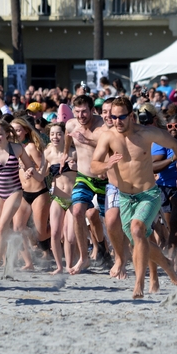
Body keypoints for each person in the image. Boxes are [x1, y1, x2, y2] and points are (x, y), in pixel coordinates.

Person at [91, 97, 177, 298]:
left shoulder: (147, 133)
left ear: (131, 116)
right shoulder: (109, 137)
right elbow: (94, 165)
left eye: (121, 117)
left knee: (138, 230)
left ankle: (139, 285)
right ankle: (166, 263)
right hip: (125, 197)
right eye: (113, 117)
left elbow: (176, 145)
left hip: (148, 194)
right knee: (138, 240)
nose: (117, 121)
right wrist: (106, 165)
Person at [0, 121, 44, 272]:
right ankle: (10, 260)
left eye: (0, 134)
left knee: (3, 226)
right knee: (1, 229)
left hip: (14, 190)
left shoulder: (17, 149)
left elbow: (29, 165)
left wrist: (29, 171)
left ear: (7, 134)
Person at [63, 95, 112, 274]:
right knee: (77, 211)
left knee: (107, 220)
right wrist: (64, 154)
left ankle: (111, 253)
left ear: (92, 110)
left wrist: (86, 141)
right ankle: (84, 258)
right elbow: (68, 140)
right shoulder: (71, 125)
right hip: (84, 176)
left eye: (84, 111)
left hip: (106, 178)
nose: (81, 115)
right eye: (77, 112)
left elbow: (109, 144)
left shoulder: (103, 125)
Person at [10, 117, 50, 271]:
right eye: (12, 130)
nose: (15, 133)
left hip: (39, 192)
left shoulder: (31, 147)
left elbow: (44, 169)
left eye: (18, 130)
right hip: (22, 193)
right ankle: (29, 263)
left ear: (25, 131)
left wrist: (32, 170)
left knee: (40, 235)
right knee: (18, 228)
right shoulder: (11, 148)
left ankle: (61, 228)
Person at [152, 113, 177, 272]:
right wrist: (173, 158)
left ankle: (171, 258)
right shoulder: (161, 141)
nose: (173, 129)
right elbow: (154, 166)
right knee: (171, 228)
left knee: (174, 224)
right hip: (162, 188)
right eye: (170, 126)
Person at [101, 98, 131, 279]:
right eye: (105, 113)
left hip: (135, 187)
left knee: (129, 226)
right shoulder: (101, 132)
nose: (108, 116)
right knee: (111, 222)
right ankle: (120, 257)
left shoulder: (134, 133)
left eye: (111, 113)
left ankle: (123, 259)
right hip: (114, 185)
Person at [44, 122, 78, 275]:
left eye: (58, 133)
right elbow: (42, 174)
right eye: (52, 134)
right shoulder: (48, 153)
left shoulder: (74, 152)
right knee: (55, 233)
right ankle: (60, 266)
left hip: (73, 198)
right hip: (57, 197)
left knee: (70, 236)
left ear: (65, 135)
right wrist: (28, 170)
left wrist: (76, 166)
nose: (55, 137)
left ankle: (70, 264)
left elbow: (88, 171)